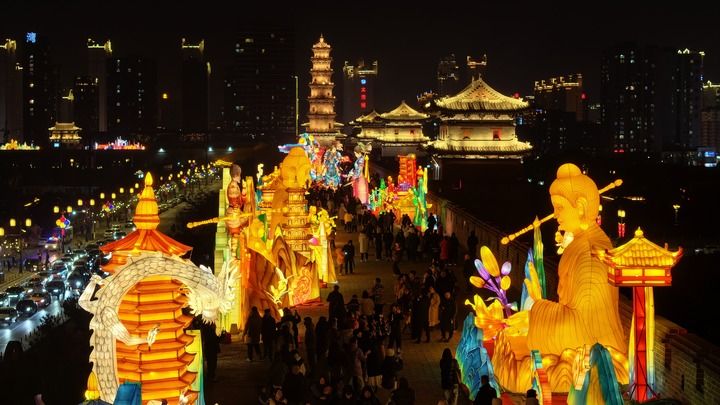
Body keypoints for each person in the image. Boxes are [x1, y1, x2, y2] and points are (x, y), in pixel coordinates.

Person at [491, 163, 628, 392]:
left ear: (581, 207)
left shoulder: (591, 254)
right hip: (573, 340)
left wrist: (536, 314)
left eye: (560, 208)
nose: (555, 215)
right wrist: (537, 313)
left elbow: (583, 326)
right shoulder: (580, 245)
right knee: (510, 340)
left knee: (516, 348)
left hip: (591, 347)